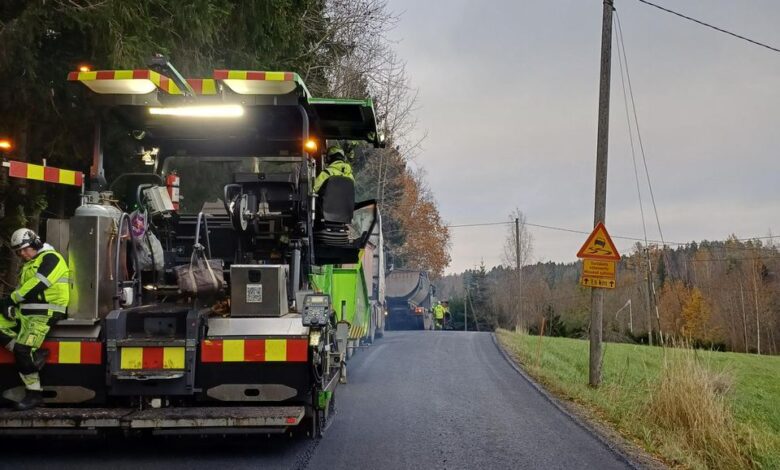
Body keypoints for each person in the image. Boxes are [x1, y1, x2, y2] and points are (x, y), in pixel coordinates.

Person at [0, 228, 69, 410]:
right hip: (27, 312)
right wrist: (9, 305)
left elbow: (38, 284)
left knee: (22, 350)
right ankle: (34, 356)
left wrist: (10, 300)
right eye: (18, 252)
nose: (22, 254)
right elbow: (25, 290)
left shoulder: (52, 258)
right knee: (18, 346)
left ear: (35, 244)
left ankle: (34, 394)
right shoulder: (31, 263)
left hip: (46, 312)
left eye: (24, 249)